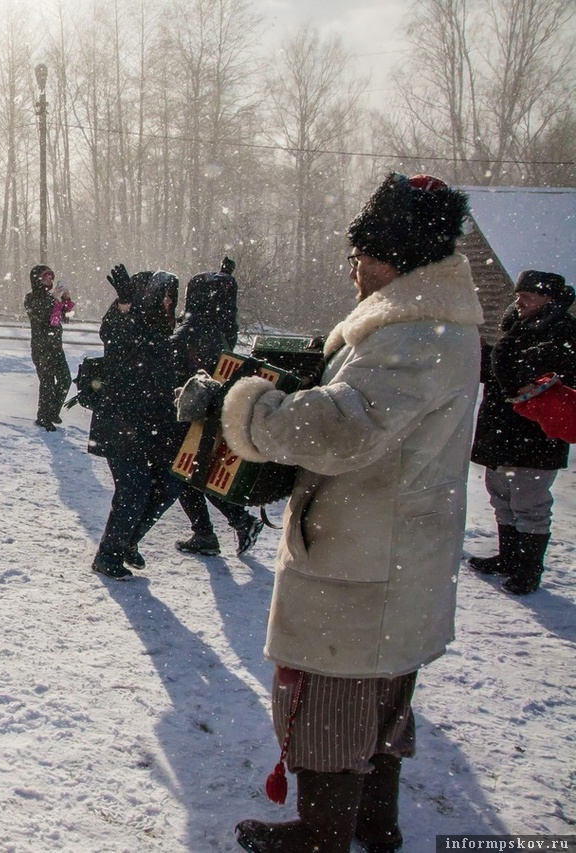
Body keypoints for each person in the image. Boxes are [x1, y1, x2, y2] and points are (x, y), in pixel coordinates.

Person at [177, 174, 481, 853]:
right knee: (379, 701)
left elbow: (344, 427)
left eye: (361, 256)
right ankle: (375, 821)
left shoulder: (413, 334)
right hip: (391, 553)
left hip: (364, 561)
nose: (353, 272)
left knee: (331, 710)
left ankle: (321, 834)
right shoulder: (424, 323)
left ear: (396, 255)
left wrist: (245, 406)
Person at [467, 270, 576, 595]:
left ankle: (528, 571)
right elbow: (502, 374)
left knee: (530, 505)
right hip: (502, 433)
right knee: (502, 498)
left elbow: (520, 373)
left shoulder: (564, 333)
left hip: (535, 439)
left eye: (528, 295)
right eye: (518, 294)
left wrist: (499, 355)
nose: (519, 300)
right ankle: (509, 558)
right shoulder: (518, 328)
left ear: (549, 298)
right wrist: (484, 355)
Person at [89, 265, 185, 578]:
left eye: (173, 297)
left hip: (154, 426)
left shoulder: (165, 333)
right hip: (121, 424)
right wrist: (124, 306)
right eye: (164, 296)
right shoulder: (129, 323)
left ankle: (127, 541)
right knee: (133, 490)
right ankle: (108, 557)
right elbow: (112, 335)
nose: (169, 304)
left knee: (170, 484)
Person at [170, 259, 264, 557]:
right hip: (211, 406)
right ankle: (227, 524)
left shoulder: (193, 324)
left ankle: (216, 529)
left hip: (190, 405)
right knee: (196, 471)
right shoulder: (221, 324)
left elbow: (169, 353)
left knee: (184, 473)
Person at [24, 264, 72, 431]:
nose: (50, 279)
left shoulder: (51, 298)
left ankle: (51, 412)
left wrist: (65, 298)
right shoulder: (32, 299)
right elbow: (48, 318)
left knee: (65, 379)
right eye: (46, 276)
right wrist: (56, 301)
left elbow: (64, 317)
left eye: (51, 276)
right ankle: (43, 418)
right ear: (37, 279)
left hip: (56, 347)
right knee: (48, 383)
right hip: (42, 348)